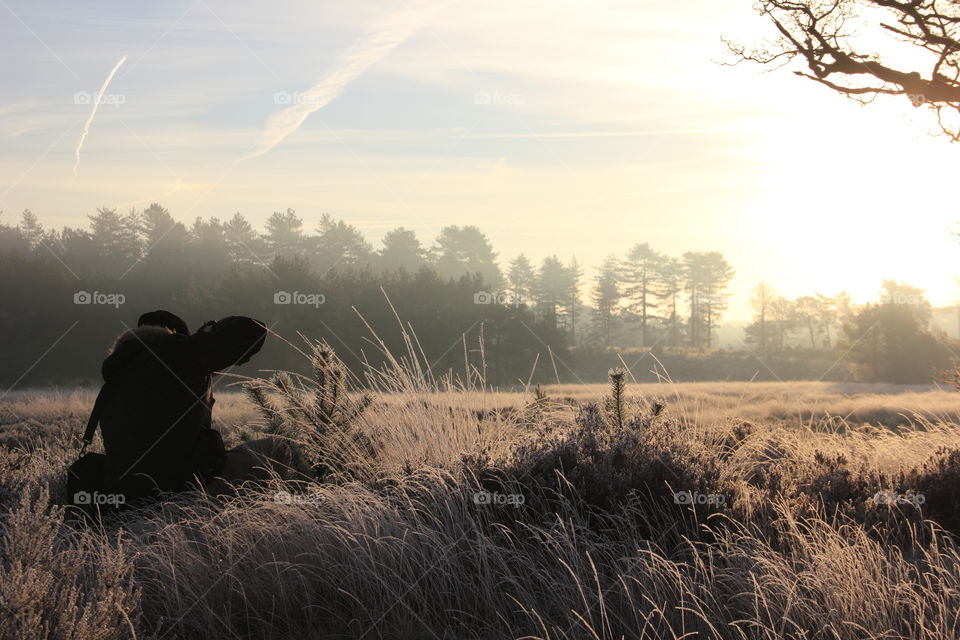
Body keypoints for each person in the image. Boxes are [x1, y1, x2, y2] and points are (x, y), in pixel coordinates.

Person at [67, 310, 290, 514]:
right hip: (182, 488)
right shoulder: (174, 354)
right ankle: (260, 526)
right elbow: (253, 329)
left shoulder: (119, 375)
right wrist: (208, 333)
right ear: (178, 337)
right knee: (278, 448)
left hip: (126, 492)